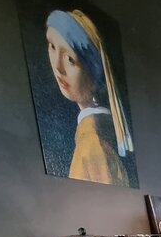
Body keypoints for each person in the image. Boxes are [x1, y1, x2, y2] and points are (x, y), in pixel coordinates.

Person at [45, 10, 133, 186]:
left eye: (70, 59)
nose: (58, 67)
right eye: (52, 47)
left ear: (94, 75)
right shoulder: (99, 134)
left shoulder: (90, 145)